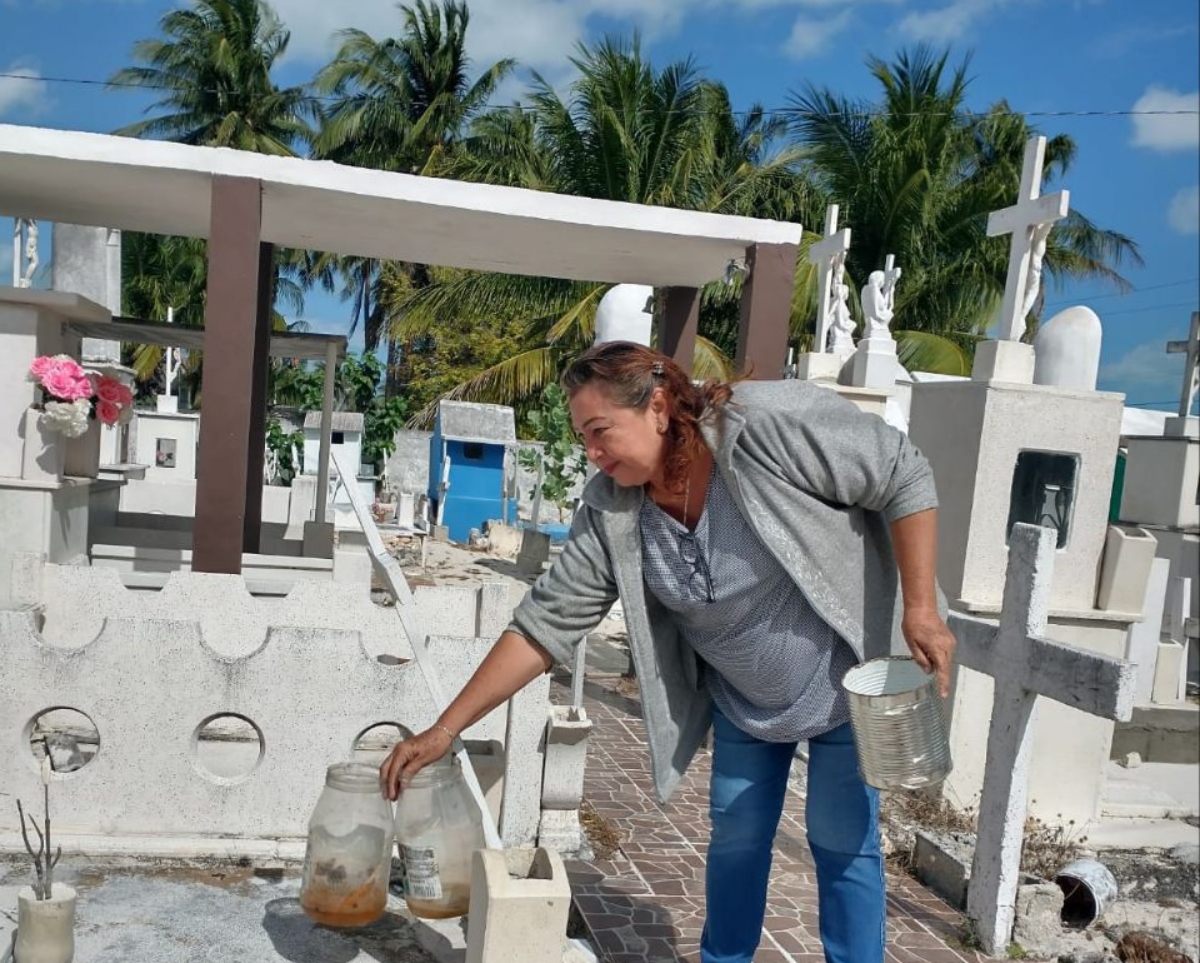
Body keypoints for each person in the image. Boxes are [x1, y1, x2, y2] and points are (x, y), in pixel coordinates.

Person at [381, 341, 956, 963]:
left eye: (600, 431)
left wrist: (920, 606)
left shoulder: (760, 427)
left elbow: (902, 471)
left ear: (657, 405)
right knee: (737, 835)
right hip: (746, 699)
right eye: (582, 439)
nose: (592, 454)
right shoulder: (612, 507)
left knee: (842, 839)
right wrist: (445, 729)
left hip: (848, 676)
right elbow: (546, 624)